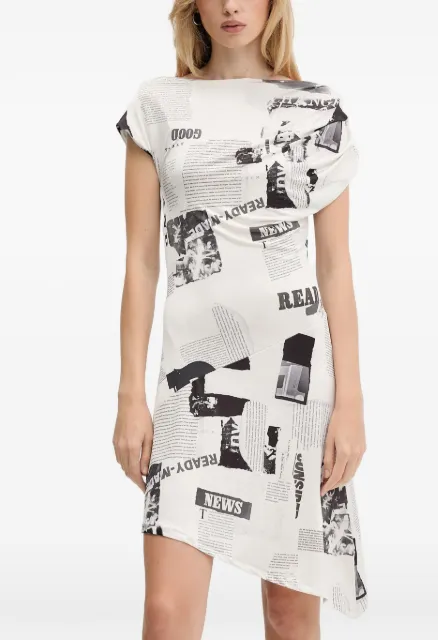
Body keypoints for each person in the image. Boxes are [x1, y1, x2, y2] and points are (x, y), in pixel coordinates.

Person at [113, 1, 368, 638]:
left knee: (289, 614)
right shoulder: (158, 106)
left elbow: (335, 268)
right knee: (166, 611)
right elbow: (141, 263)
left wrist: (351, 405)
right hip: (191, 383)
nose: (231, 5)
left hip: (295, 383)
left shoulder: (315, 110)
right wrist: (129, 397)